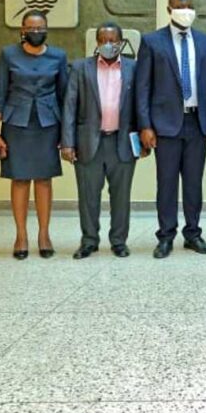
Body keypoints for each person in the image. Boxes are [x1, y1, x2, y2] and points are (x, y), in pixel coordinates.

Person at [135, 0, 206, 259]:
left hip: (198, 122)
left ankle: (193, 234)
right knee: (167, 182)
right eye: (180, 6)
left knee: (194, 182)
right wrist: (145, 125)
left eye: (190, 6)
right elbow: (142, 88)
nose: (186, 10)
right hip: (165, 124)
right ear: (169, 8)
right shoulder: (152, 42)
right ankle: (166, 236)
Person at [0, 10, 68, 260]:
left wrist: (67, 135)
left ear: (46, 29)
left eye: (40, 28)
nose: (36, 32)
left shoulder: (59, 56)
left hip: (48, 124)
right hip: (16, 124)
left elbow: (65, 97)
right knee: (20, 179)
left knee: (44, 179)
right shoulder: (9, 54)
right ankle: (21, 235)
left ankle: (44, 234)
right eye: (30, 28)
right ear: (22, 30)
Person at [62, 22, 144, 259]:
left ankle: (119, 241)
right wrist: (67, 142)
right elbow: (69, 106)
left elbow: (141, 105)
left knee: (121, 196)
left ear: (121, 42)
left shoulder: (133, 68)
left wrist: (144, 138)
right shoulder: (80, 68)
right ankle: (89, 241)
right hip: (89, 142)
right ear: (96, 43)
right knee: (88, 196)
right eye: (103, 40)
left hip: (122, 142)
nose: (108, 45)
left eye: (113, 40)